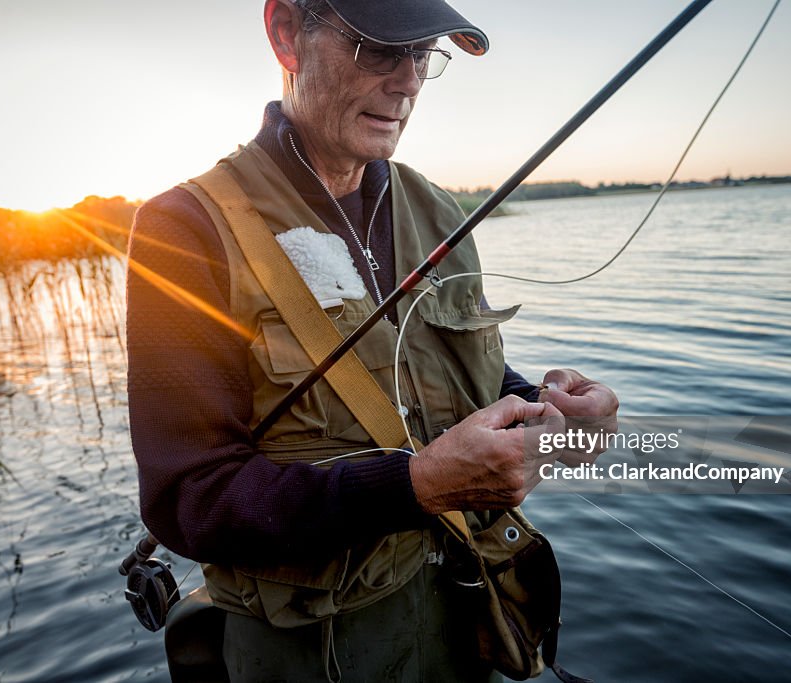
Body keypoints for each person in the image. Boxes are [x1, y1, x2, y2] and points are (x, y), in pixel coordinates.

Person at [126, 0, 618, 680]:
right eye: (377, 48)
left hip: (461, 621)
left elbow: (466, 376)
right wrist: (416, 486)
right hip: (309, 655)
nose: (409, 81)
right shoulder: (184, 230)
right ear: (286, 33)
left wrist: (548, 410)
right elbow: (191, 502)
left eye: (421, 54)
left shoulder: (443, 211)